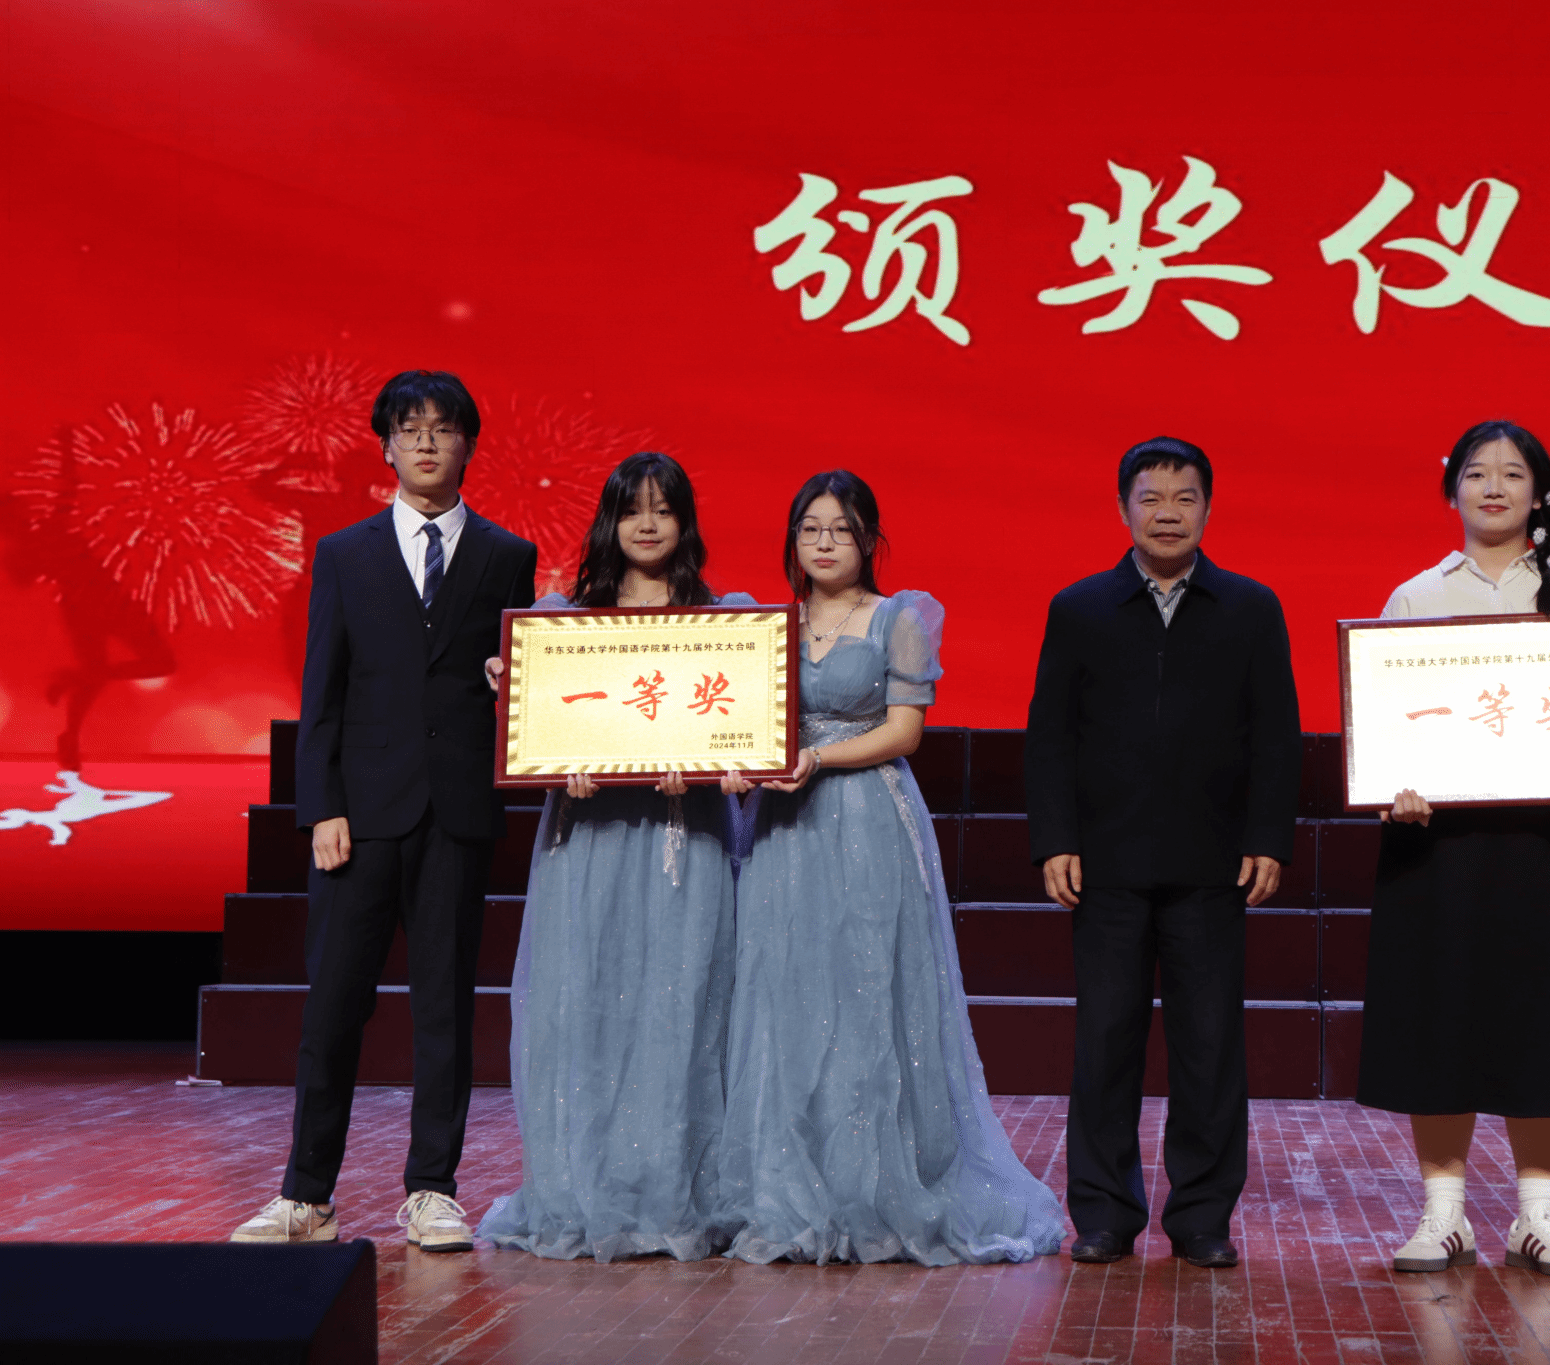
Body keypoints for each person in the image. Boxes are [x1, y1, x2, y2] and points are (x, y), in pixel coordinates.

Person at [713, 470, 1063, 1266]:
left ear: (869, 539)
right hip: (784, 828)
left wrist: (817, 757)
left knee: (868, 992)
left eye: (842, 527)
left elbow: (905, 731)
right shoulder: (763, 623)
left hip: (867, 815)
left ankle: (877, 1185)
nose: (825, 541)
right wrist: (734, 763)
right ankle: (793, 1185)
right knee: (785, 991)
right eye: (810, 527)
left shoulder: (897, 616)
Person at [232, 371, 538, 1250]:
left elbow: (517, 681)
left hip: (458, 813)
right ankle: (306, 1194)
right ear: (387, 446)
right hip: (358, 817)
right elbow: (321, 690)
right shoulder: (344, 553)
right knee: (333, 1005)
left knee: (446, 1006)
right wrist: (321, 807)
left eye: (444, 428)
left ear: (468, 444)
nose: (427, 442)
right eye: (411, 428)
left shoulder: (507, 555)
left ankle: (432, 1190)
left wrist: (510, 683)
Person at [1358, 419, 1550, 1279]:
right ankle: (1443, 1213)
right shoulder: (1415, 597)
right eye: (1478, 473)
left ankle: (1537, 1215)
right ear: (1453, 491)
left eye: (1513, 474)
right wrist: (1394, 785)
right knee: (1440, 1020)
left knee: (1542, 1021)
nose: (1493, 488)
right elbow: (1385, 726)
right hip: (1437, 849)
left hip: (1544, 847)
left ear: (1540, 494)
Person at [1024, 435, 1301, 1270]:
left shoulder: (1250, 607)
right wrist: (1055, 839)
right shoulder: (1080, 607)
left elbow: (1277, 735)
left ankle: (1202, 1216)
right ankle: (1104, 1213)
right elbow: (1049, 736)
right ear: (1124, 508)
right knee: (1104, 1041)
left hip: (1214, 864)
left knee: (1210, 1046)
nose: (1168, 512)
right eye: (1152, 497)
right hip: (1105, 865)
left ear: (1208, 508)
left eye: (1185, 498)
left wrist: (1268, 837)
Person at [475, 452, 753, 1262]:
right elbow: (541, 729)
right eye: (633, 508)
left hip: (684, 836)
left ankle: (676, 1191)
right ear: (610, 521)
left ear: (684, 522)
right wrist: (522, 703)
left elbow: (742, 733)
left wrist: (718, 762)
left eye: (664, 508)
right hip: (587, 839)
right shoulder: (563, 622)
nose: (648, 523)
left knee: (683, 1004)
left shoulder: (723, 623)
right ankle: (580, 1188)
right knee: (584, 1005)